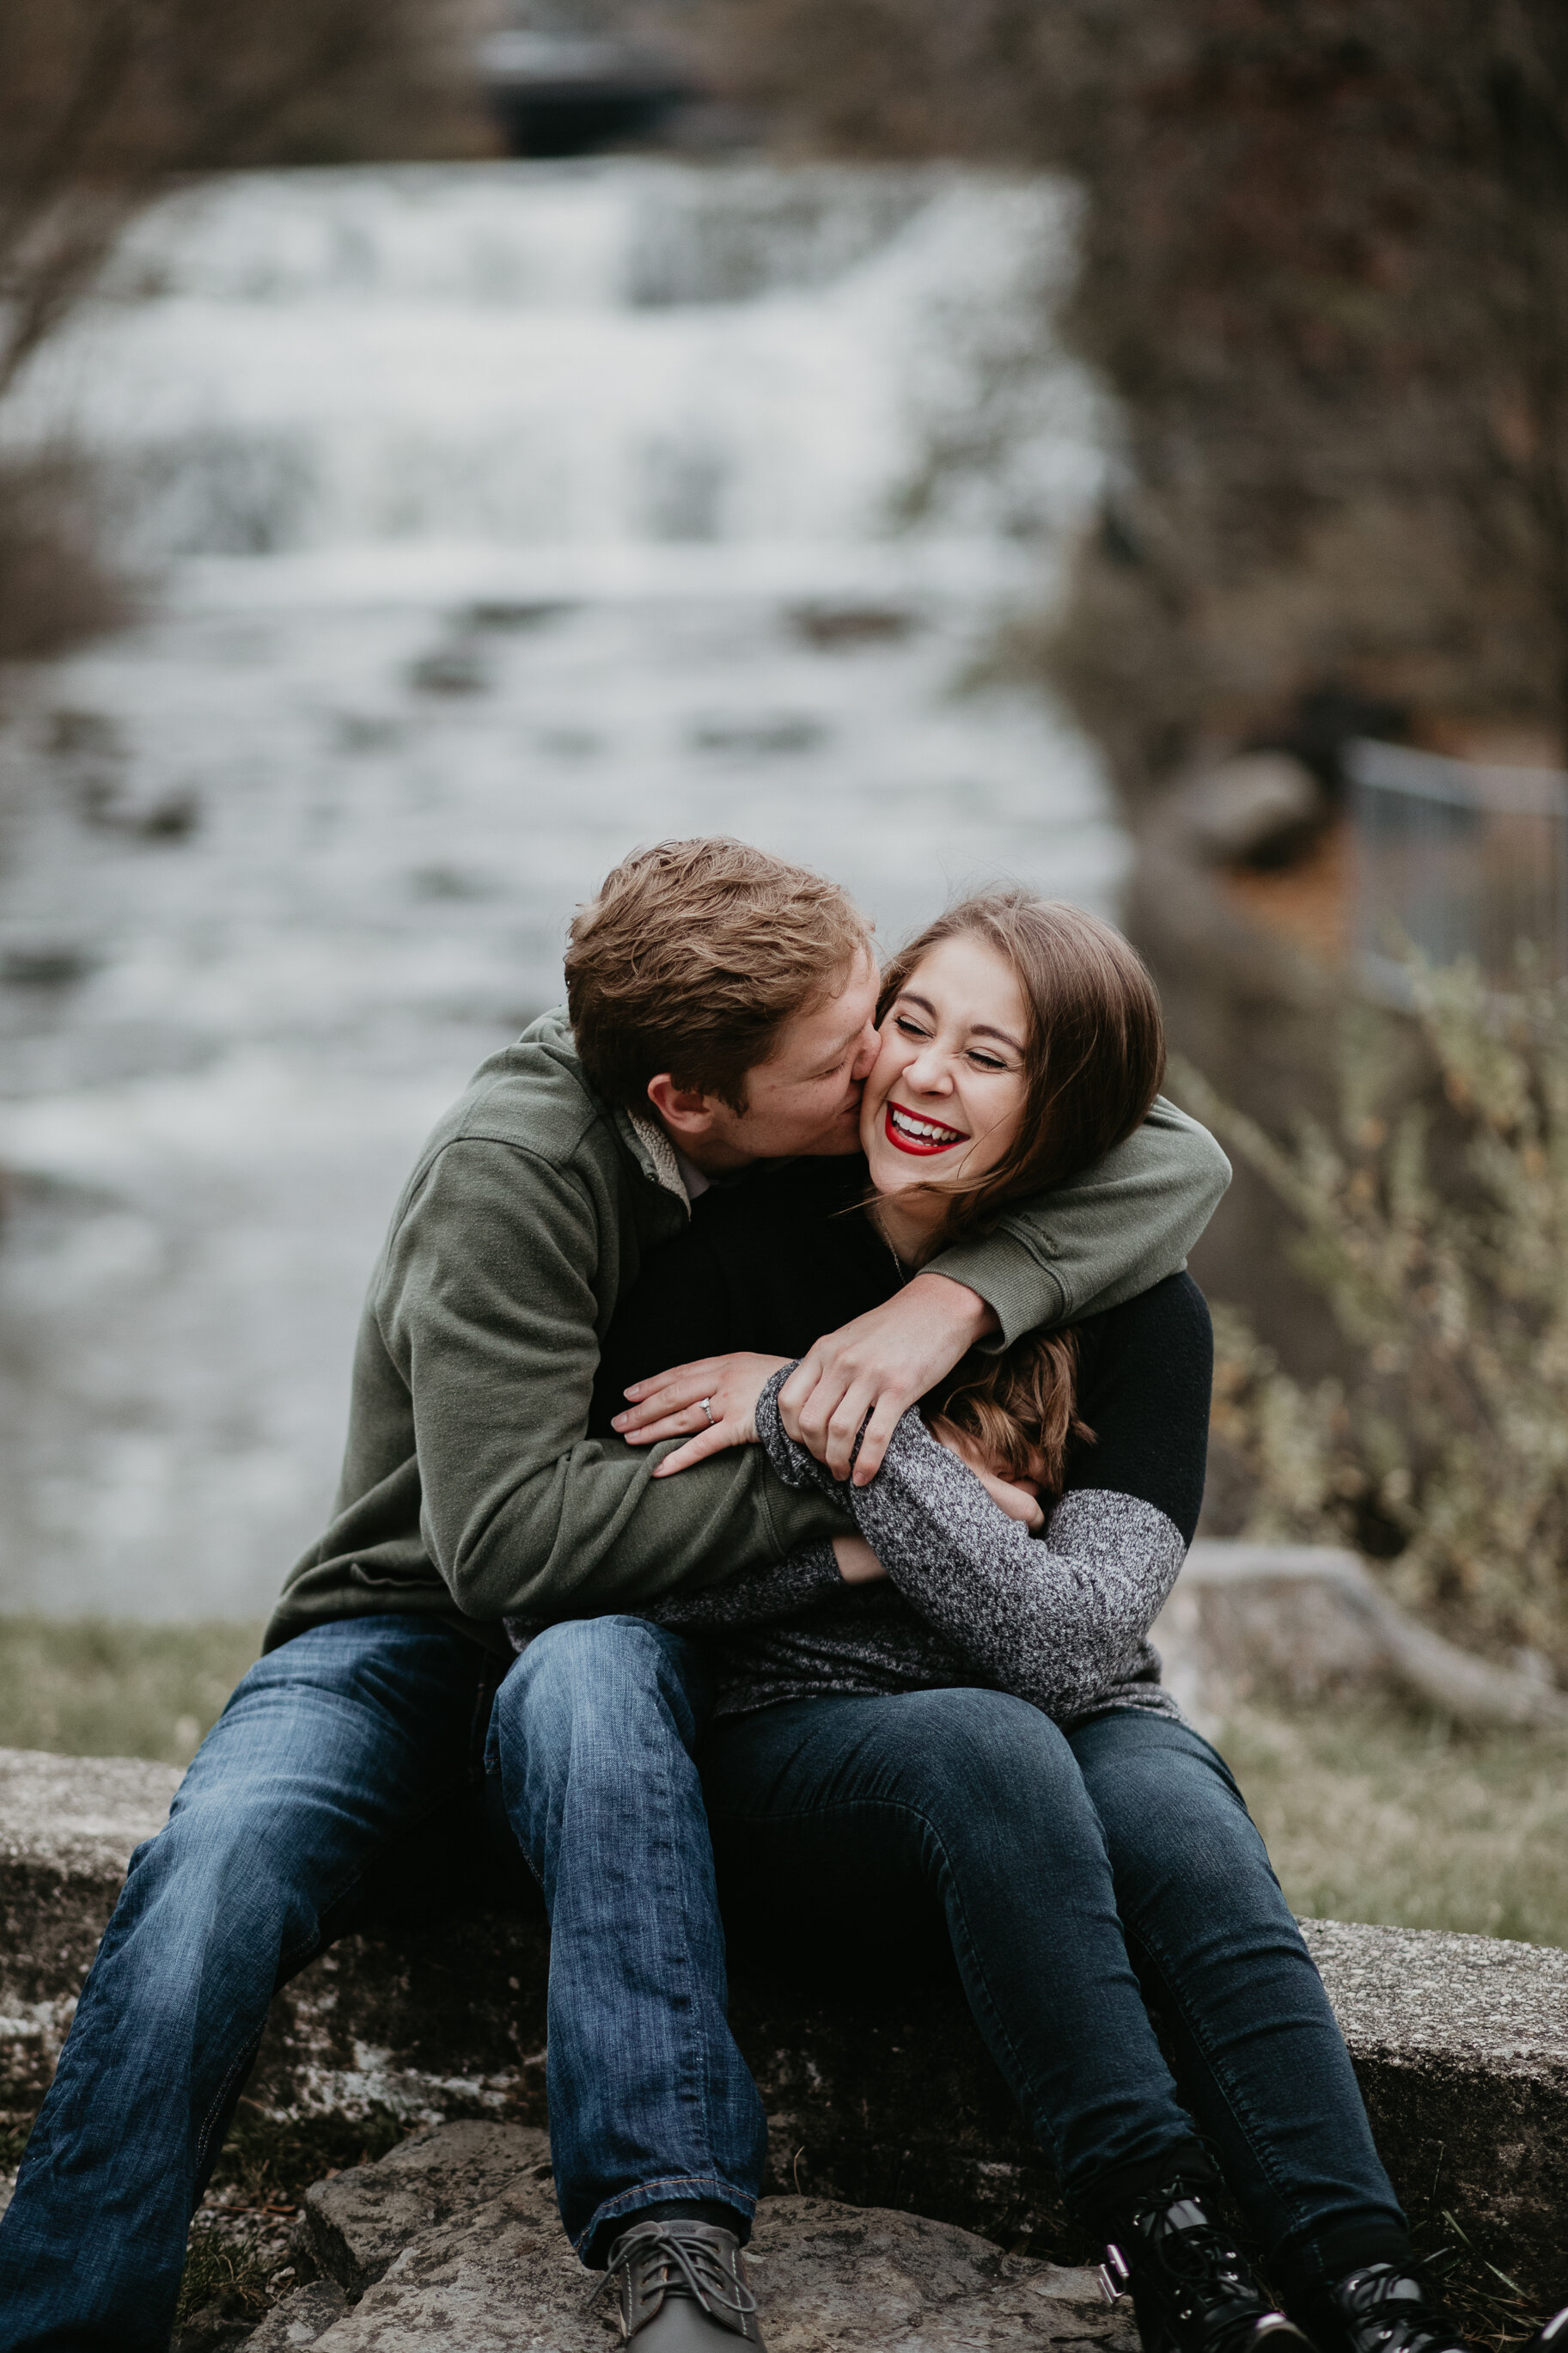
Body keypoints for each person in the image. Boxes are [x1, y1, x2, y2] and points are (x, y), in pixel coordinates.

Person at [0, 840, 1230, 2353]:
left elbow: (1173, 1152)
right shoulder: (515, 1173)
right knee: (213, 1870)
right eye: (852, 1054)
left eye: (888, 1016)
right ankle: (58, 2324)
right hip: (412, 1626)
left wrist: (948, 1302)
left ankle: (674, 2251)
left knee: (597, 1672)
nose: (890, 1077)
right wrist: (847, 1475)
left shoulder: (789, 1058)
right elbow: (505, 1547)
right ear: (689, 1107)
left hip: (639, 1632)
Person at [509, 891, 1500, 2353]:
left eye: (990, 1055)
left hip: (1070, 1723)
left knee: (1172, 1804)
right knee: (983, 1743)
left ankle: (1377, 2296)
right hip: (795, 1751)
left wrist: (817, 1407)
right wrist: (881, 1532)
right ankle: (1178, 2273)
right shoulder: (727, 1254)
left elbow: (1079, 1638)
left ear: (1067, 1109)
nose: (921, 1074)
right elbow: (641, 1578)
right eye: (909, 1025)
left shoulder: (1140, 1306)